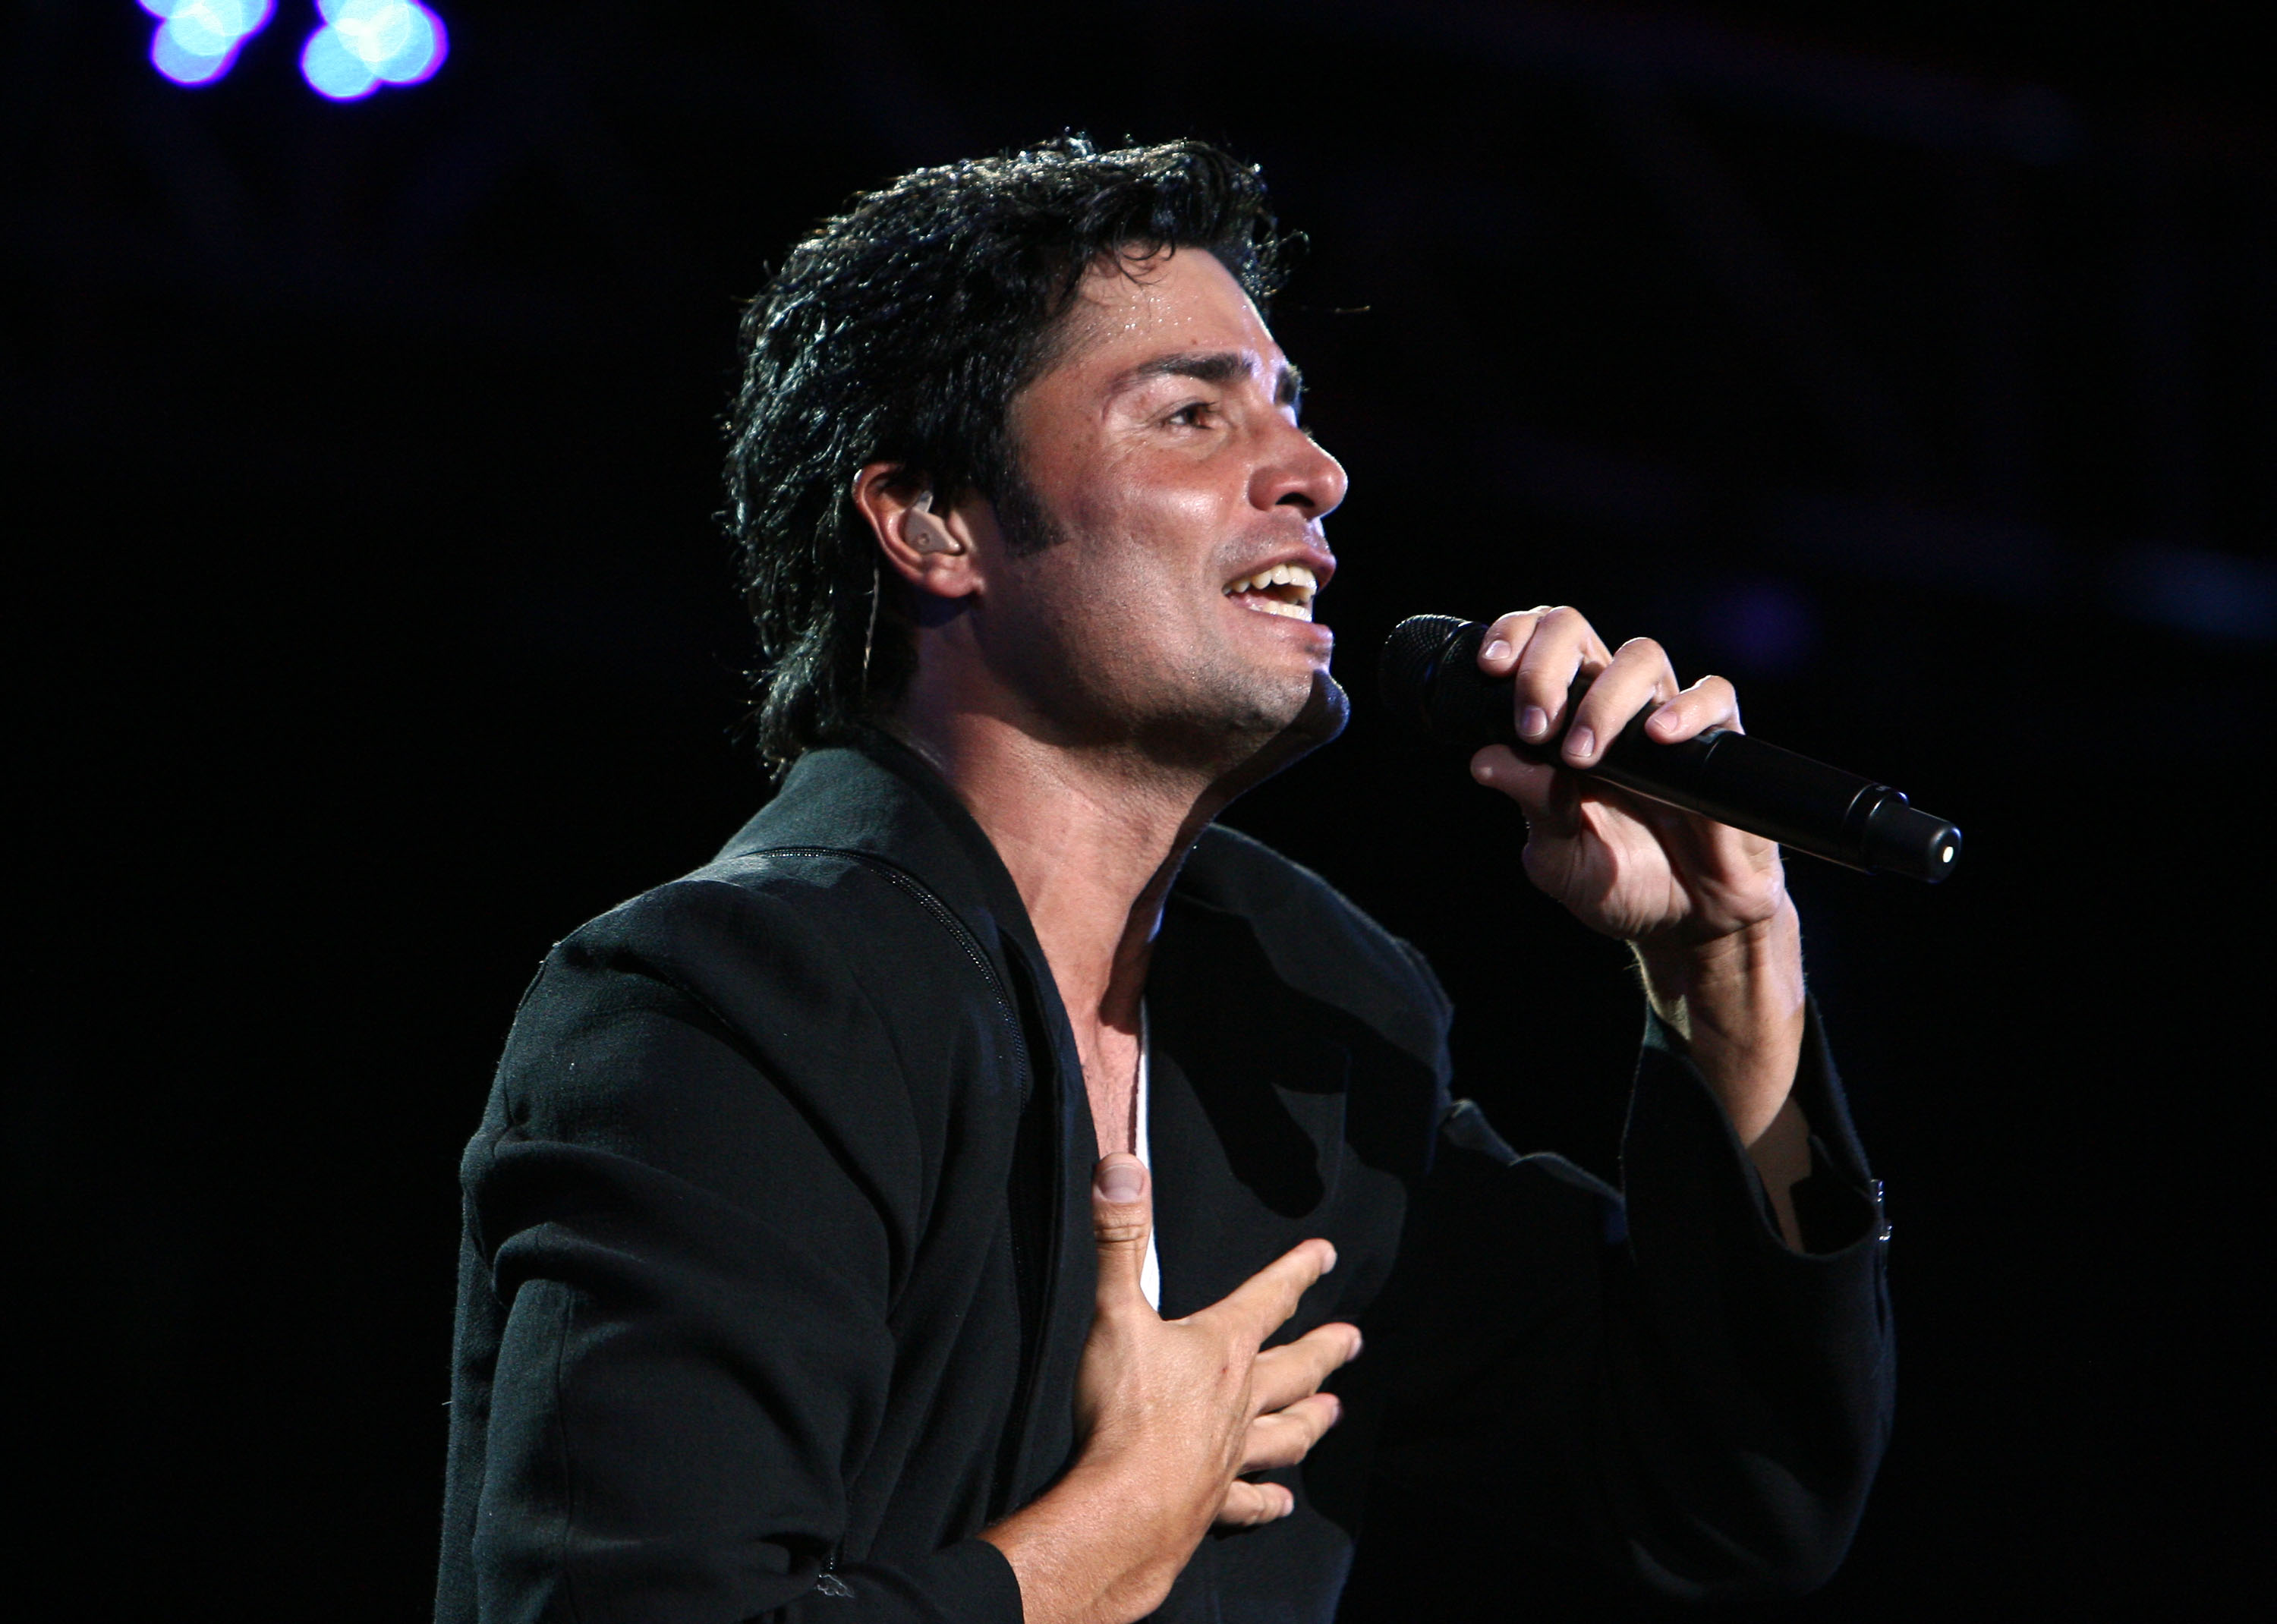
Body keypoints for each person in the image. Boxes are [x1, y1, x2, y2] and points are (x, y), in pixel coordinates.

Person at [435, 139, 1893, 1624]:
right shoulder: (731, 1000)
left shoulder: (1302, 1028)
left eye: (1293, 416)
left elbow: (1735, 1491)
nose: (1315, 475)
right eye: (1192, 413)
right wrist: (1101, 1535)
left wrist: (1727, 973)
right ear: (933, 519)